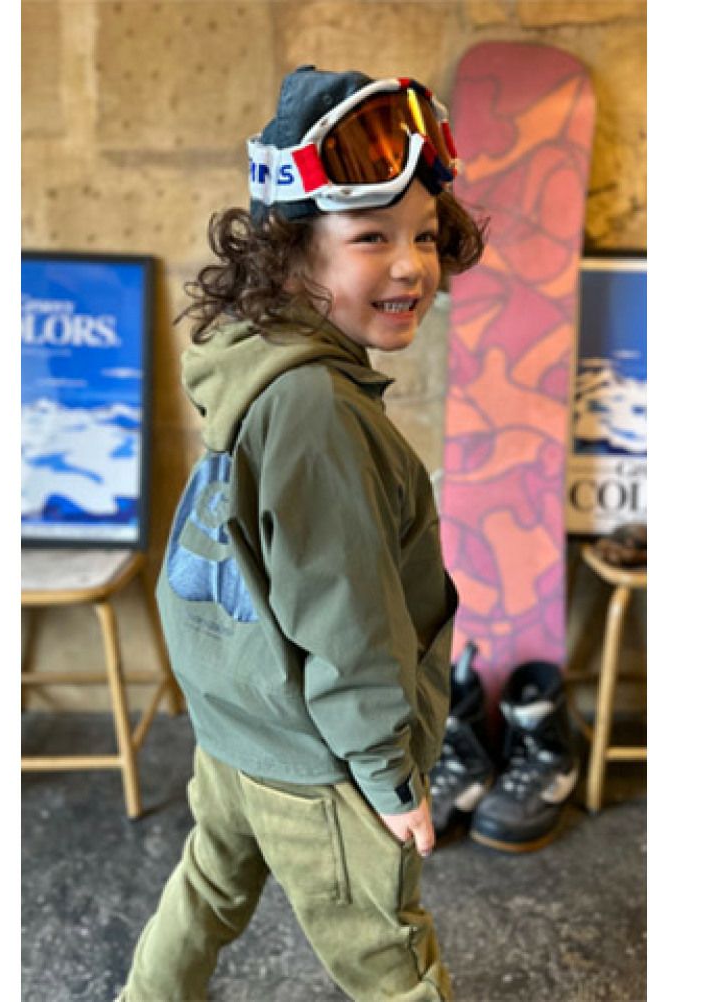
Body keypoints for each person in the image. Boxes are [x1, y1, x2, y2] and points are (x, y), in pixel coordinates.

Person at [119, 65, 486, 1002]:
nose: (410, 265)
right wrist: (389, 778)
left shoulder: (255, 363)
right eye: (371, 237)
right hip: (319, 758)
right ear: (290, 259)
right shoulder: (315, 407)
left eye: (424, 235)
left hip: (236, 722)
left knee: (207, 889)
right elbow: (343, 618)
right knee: (391, 963)